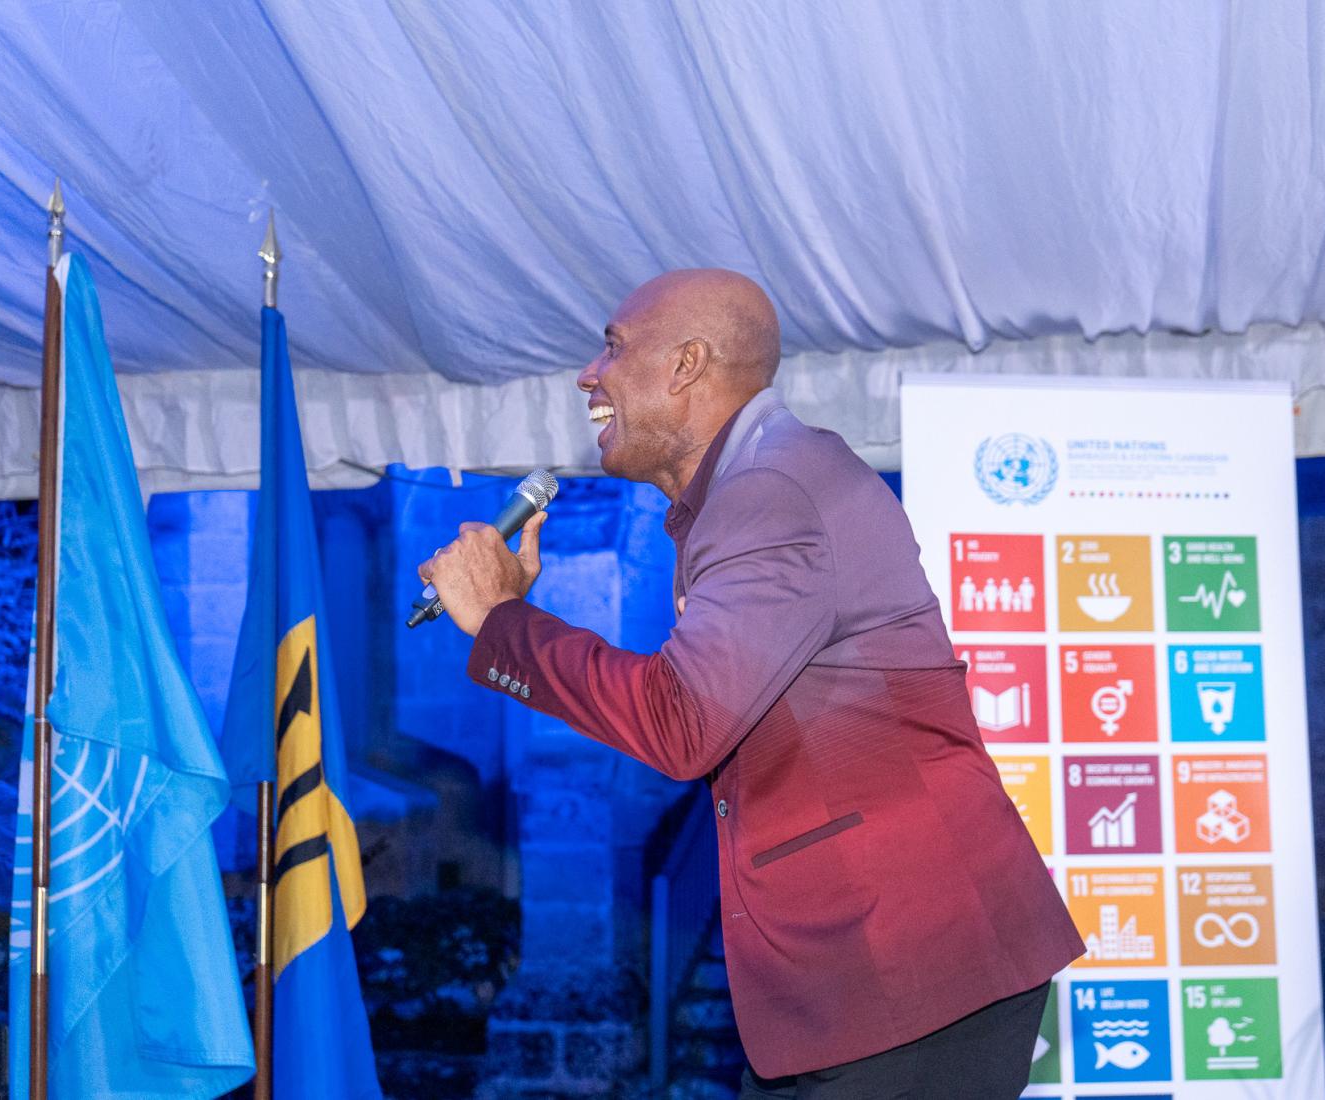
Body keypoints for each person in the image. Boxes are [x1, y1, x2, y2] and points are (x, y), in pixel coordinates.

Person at [418, 269, 1083, 1098]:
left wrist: (503, 622)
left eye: (614, 347)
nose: (589, 374)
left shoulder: (770, 491)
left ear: (688, 363)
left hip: (910, 964)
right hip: (862, 977)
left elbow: (680, 723)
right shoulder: (753, 486)